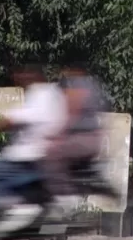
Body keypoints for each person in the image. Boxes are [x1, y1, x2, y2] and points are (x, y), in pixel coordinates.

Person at [0, 63, 68, 220]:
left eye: (20, 75)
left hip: (27, 159)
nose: (16, 79)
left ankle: (15, 208)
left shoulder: (41, 93)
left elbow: (15, 120)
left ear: (31, 75)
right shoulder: (54, 93)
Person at [42, 62, 105, 196]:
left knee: (49, 154)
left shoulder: (75, 88)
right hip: (93, 139)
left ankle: (61, 194)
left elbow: (72, 114)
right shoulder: (91, 85)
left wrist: (56, 135)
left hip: (82, 138)